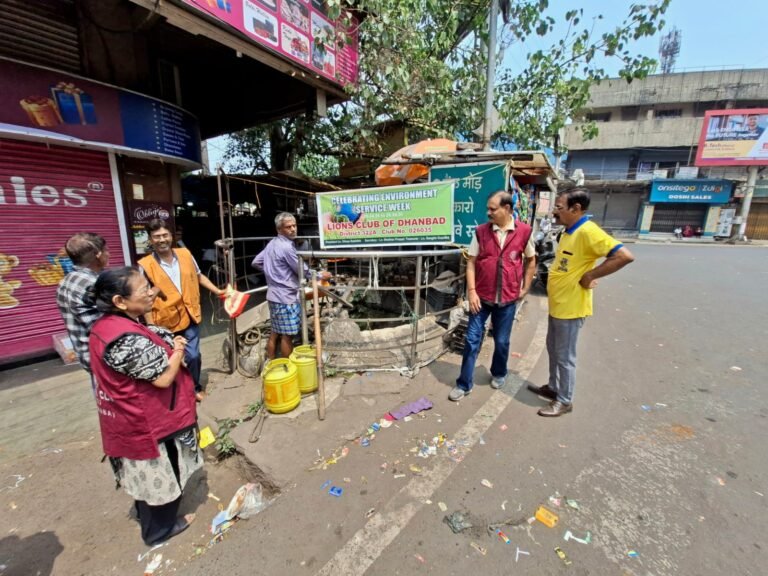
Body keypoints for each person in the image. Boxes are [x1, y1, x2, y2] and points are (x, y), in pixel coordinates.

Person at [89, 266, 200, 546]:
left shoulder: (113, 325)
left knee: (146, 477)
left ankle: (146, 515)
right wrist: (176, 350)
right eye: (144, 289)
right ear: (119, 301)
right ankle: (160, 530)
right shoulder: (123, 337)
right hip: (148, 421)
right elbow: (163, 378)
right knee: (163, 473)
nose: (152, 292)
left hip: (134, 415)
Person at [528, 188, 634, 417]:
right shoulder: (567, 232)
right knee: (554, 351)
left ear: (576, 209)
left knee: (565, 357)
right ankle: (554, 388)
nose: (555, 212)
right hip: (559, 305)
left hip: (572, 307)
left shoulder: (588, 231)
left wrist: (590, 276)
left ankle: (565, 400)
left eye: (559, 207)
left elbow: (624, 256)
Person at [449, 190, 536, 401]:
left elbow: (531, 261)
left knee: (502, 340)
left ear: (507, 209)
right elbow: (470, 262)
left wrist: (524, 289)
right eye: (488, 208)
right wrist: (471, 292)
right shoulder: (481, 232)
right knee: (471, 340)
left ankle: (499, 372)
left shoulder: (524, 232)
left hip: (507, 300)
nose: (488, 212)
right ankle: (464, 383)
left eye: (492, 209)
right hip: (481, 298)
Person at [139, 220, 223, 402]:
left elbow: (198, 275)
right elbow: (145, 298)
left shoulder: (185, 254)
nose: (162, 240)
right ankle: (175, 393)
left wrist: (217, 291)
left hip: (189, 313)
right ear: (150, 239)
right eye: (157, 237)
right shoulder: (145, 265)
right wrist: (151, 327)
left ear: (172, 236)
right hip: (164, 320)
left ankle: (194, 388)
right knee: (170, 359)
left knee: (193, 356)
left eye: (165, 235)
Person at [252, 212, 309, 360]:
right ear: (279, 229)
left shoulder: (272, 243)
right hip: (286, 298)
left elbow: (256, 262)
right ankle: (286, 366)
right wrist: (321, 275)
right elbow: (302, 269)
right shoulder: (286, 247)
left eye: (294, 225)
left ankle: (270, 363)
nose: (293, 229)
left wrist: (273, 272)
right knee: (287, 336)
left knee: (275, 332)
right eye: (288, 227)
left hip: (273, 296)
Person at [56, 233, 110, 379]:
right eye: (106, 250)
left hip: (88, 356)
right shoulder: (92, 284)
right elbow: (106, 328)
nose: (108, 254)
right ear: (98, 255)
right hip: (104, 359)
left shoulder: (67, 280)